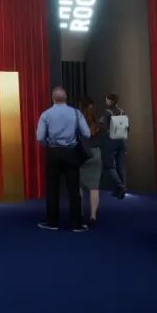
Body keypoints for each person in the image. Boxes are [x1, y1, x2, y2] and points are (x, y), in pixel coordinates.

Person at [36, 87, 90, 232]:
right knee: (74, 190)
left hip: (53, 153)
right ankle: (77, 224)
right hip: (71, 153)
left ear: (53, 99)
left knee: (52, 189)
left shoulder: (46, 114)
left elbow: (40, 137)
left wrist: (48, 144)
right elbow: (87, 133)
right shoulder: (76, 113)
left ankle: (52, 222)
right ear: (66, 98)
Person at [78, 97, 104, 226]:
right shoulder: (98, 123)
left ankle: (80, 213)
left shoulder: (77, 122)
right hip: (96, 154)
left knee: (78, 186)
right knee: (94, 187)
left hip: (81, 154)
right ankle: (93, 215)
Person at [99, 93, 127, 199]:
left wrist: (101, 122)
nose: (106, 101)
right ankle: (121, 191)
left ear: (110, 101)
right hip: (122, 141)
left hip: (111, 141)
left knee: (109, 166)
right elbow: (128, 128)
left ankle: (121, 187)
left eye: (106, 99)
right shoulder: (122, 112)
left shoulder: (107, 113)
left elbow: (106, 128)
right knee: (121, 167)